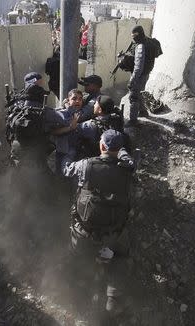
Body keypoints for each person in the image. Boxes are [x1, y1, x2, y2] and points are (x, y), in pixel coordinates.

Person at [61, 129, 135, 318]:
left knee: (76, 257)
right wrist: (122, 152)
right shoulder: (127, 168)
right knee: (121, 258)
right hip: (114, 232)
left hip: (84, 232)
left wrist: (67, 154)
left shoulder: (86, 165)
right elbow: (128, 158)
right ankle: (113, 300)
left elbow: (66, 169)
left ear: (101, 146)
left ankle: (76, 298)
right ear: (118, 149)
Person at [128, 25, 148, 124]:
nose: (133, 37)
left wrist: (132, 79)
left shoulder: (140, 46)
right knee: (138, 92)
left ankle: (133, 120)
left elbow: (138, 67)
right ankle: (143, 111)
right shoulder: (148, 41)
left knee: (133, 96)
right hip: (145, 73)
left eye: (135, 35)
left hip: (139, 74)